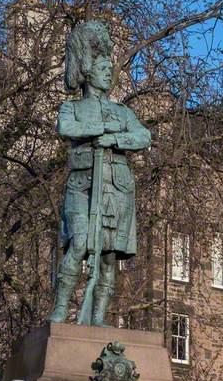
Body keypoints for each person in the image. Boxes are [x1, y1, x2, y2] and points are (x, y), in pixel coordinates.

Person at [49, 21, 151, 326]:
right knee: (79, 245)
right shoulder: (72, 108)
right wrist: (100, 131)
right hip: (82, 186)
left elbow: (143, 136)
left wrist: (116, 139)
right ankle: (60, 310)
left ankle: (98, 319)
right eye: (103, 67)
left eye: (111, 68)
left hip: (116, 191)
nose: (109, 73)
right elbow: (66, 129)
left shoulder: (123, 113)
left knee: (108, 258)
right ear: (88, 72)